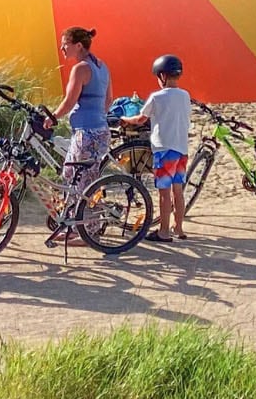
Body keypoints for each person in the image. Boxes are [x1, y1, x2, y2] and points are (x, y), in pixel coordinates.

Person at [43, 26, 112, 241]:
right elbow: (108, 100)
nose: (62, 48)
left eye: (65, 44)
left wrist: (52, 118)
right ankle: (85, 227)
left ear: (78, 45)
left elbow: (69, 101)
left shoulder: (81, 69)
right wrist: (96, 115)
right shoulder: (102, 67)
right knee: (84, 179)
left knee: (77, 180)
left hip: (86, 134)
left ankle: (85, 231)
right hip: (100, 130)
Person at [125, 55, 192, 243]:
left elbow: (141, 119)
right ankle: (178, 228)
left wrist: (123, 120)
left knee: (163, 193)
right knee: (177, 191)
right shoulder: (185, 95)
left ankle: (163, 232)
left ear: (162, 76)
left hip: (164, 149)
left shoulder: (157, 96)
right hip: (181, 149)